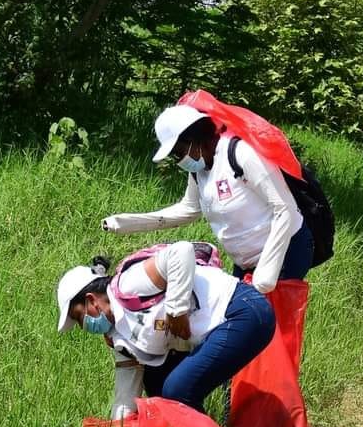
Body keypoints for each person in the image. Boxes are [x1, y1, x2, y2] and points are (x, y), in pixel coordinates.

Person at [103, 105, 311, 293]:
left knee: (271, 320)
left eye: (178, 152)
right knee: (251, 319)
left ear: (194, 138)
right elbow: (189, 210)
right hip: (246, 261)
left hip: (285, 251)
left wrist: (267, 272)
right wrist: (127, 223)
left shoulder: (240, 154)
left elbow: (284, 207)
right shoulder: (199, 170)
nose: (179, 160)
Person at [56, 241, 276, 416]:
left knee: (177, 390)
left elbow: (182, 251)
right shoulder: (119, 335)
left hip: (242, 311)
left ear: (91, 300)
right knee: (158, 388)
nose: (83, 326)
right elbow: (126, 389)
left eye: (79, 317)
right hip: (216, 330)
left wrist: (176, 310)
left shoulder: (129, 284)